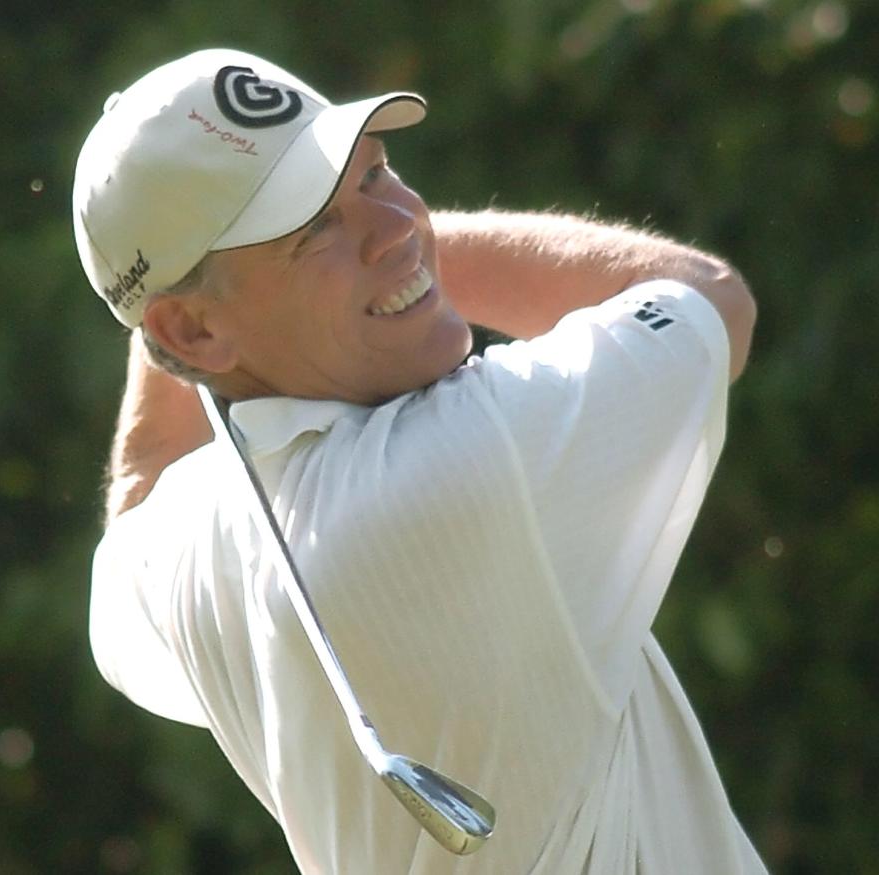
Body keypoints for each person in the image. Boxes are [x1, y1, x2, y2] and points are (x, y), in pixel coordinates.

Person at [75, 48, 764, 874]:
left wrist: (182, 307)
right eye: (316, 227)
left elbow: (139, 493)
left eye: (375, 175)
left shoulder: (177, 548)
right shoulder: (473, 456)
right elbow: (714, 300)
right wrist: (419, 262)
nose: (399, 222)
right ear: (193, 331)